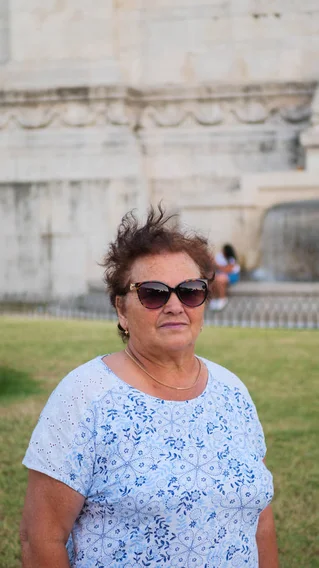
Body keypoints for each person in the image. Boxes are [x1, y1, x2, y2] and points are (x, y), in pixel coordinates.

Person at [20, 206, 278, 568]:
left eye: (190, 291)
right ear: (121, 310)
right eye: (154, 293)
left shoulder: (232, 391)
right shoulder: (85, 396)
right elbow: (40, 539)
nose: (175, 305)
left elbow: (260, 520)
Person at [209, 244, 240, 311]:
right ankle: (214, 298)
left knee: (220, 280)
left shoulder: (231, 259)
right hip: (222, 275)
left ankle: (222, 299)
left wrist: (217, 264)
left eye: (223, 250)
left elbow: (227, 270)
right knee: (213, 280)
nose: (222, 251)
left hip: (232, 275)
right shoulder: (219, 256)